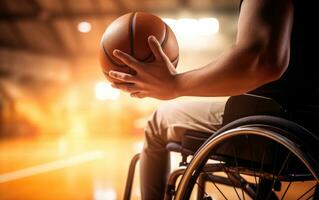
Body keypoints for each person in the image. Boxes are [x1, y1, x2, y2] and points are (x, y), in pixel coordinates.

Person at [106, 0, 318, 199]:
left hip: (279, 120)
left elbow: (260, 61)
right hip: (311, 122)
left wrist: (175, 84)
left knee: (158, 121)